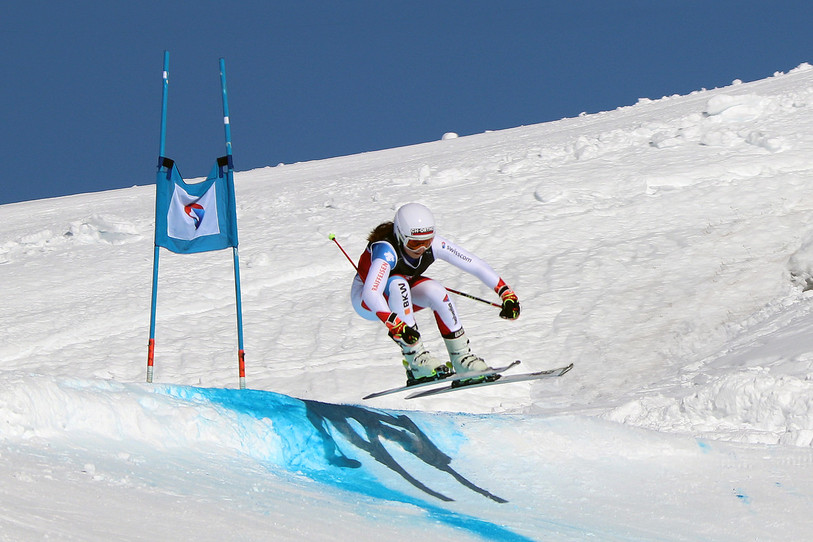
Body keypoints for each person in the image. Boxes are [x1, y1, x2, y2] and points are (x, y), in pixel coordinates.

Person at [350, 202, 521, 386]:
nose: (421, 249)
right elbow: (371, 293)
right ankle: (416, 361)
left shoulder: (433, 244)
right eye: (414, 243)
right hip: (368, 302)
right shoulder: (386, 250)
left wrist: (506, 293)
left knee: (436, 290)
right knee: (397, 283)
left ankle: (462, 359)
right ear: (400, 236)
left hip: (401, 294)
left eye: (427, 242)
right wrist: (395, 324)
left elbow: (475, 264)